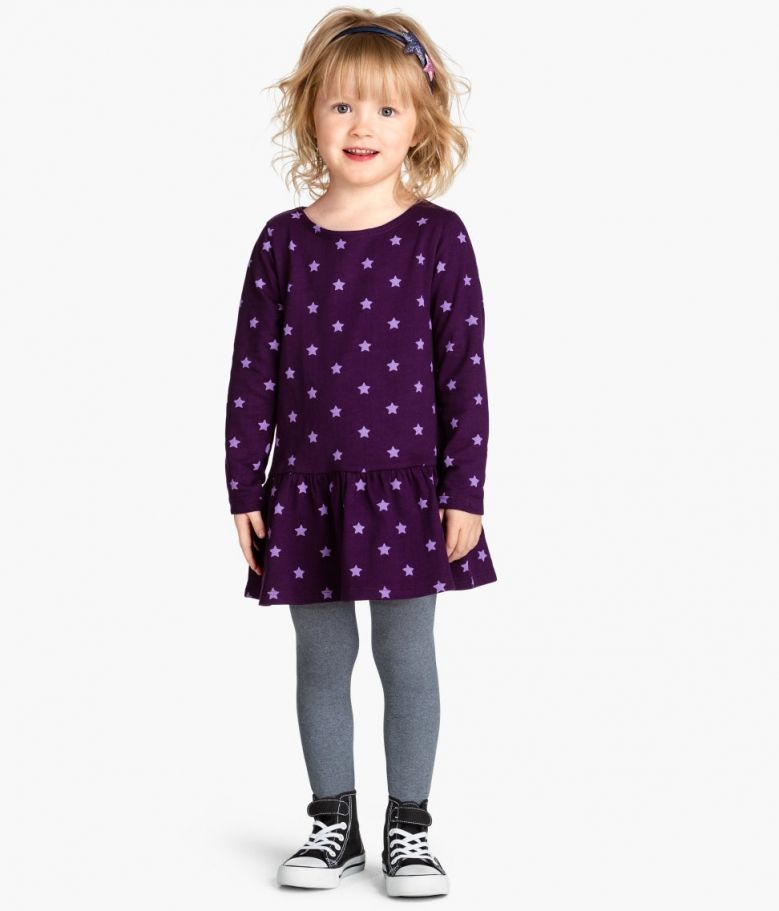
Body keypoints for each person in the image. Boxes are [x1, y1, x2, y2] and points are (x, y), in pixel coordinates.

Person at [223, 8, 497, 898]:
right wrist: (243, 487)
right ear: (309, 113)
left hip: (409, 491)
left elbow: (463, 371)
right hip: (304, 490)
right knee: (320, 657)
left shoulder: (437, 236)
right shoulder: (282, 241)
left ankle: (409, 827)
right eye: (341, 106)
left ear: (420, 121)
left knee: (407, 655)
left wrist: (464, 490)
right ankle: (331, 823)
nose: (361, 127)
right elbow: (251, 373)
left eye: (385, 109)